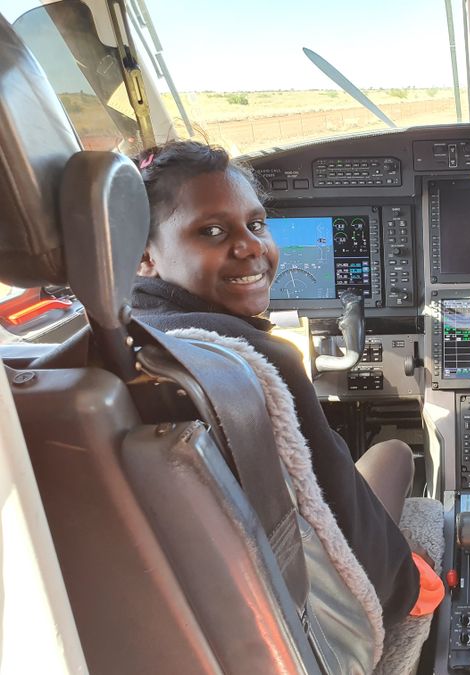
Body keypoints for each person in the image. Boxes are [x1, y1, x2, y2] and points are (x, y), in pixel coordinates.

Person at [129, 140, 442, 625]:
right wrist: (410, 583)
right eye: (212, 231)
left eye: (255, 225)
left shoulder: (112, 340)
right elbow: (354, 547)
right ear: (143, 255)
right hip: (310, 610)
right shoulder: (258, 359)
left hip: (207, 592)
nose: (251, 246)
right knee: (396, 453)